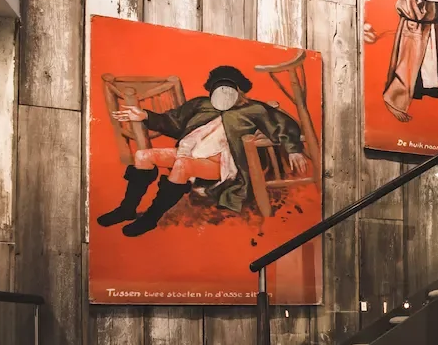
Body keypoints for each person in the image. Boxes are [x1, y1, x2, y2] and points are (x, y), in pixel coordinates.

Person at [101, 65, 309, 236]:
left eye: (229, 89)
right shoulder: (201, 104)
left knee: (182, 165)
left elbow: (283, 124)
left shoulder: (254, 109)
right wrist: (145, 115)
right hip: (192, 153)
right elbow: (172, 121)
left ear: (239, 90)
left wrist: (293, 149)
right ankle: (127, 209)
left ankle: (151, 218)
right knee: (142, 155)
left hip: (222, 166)